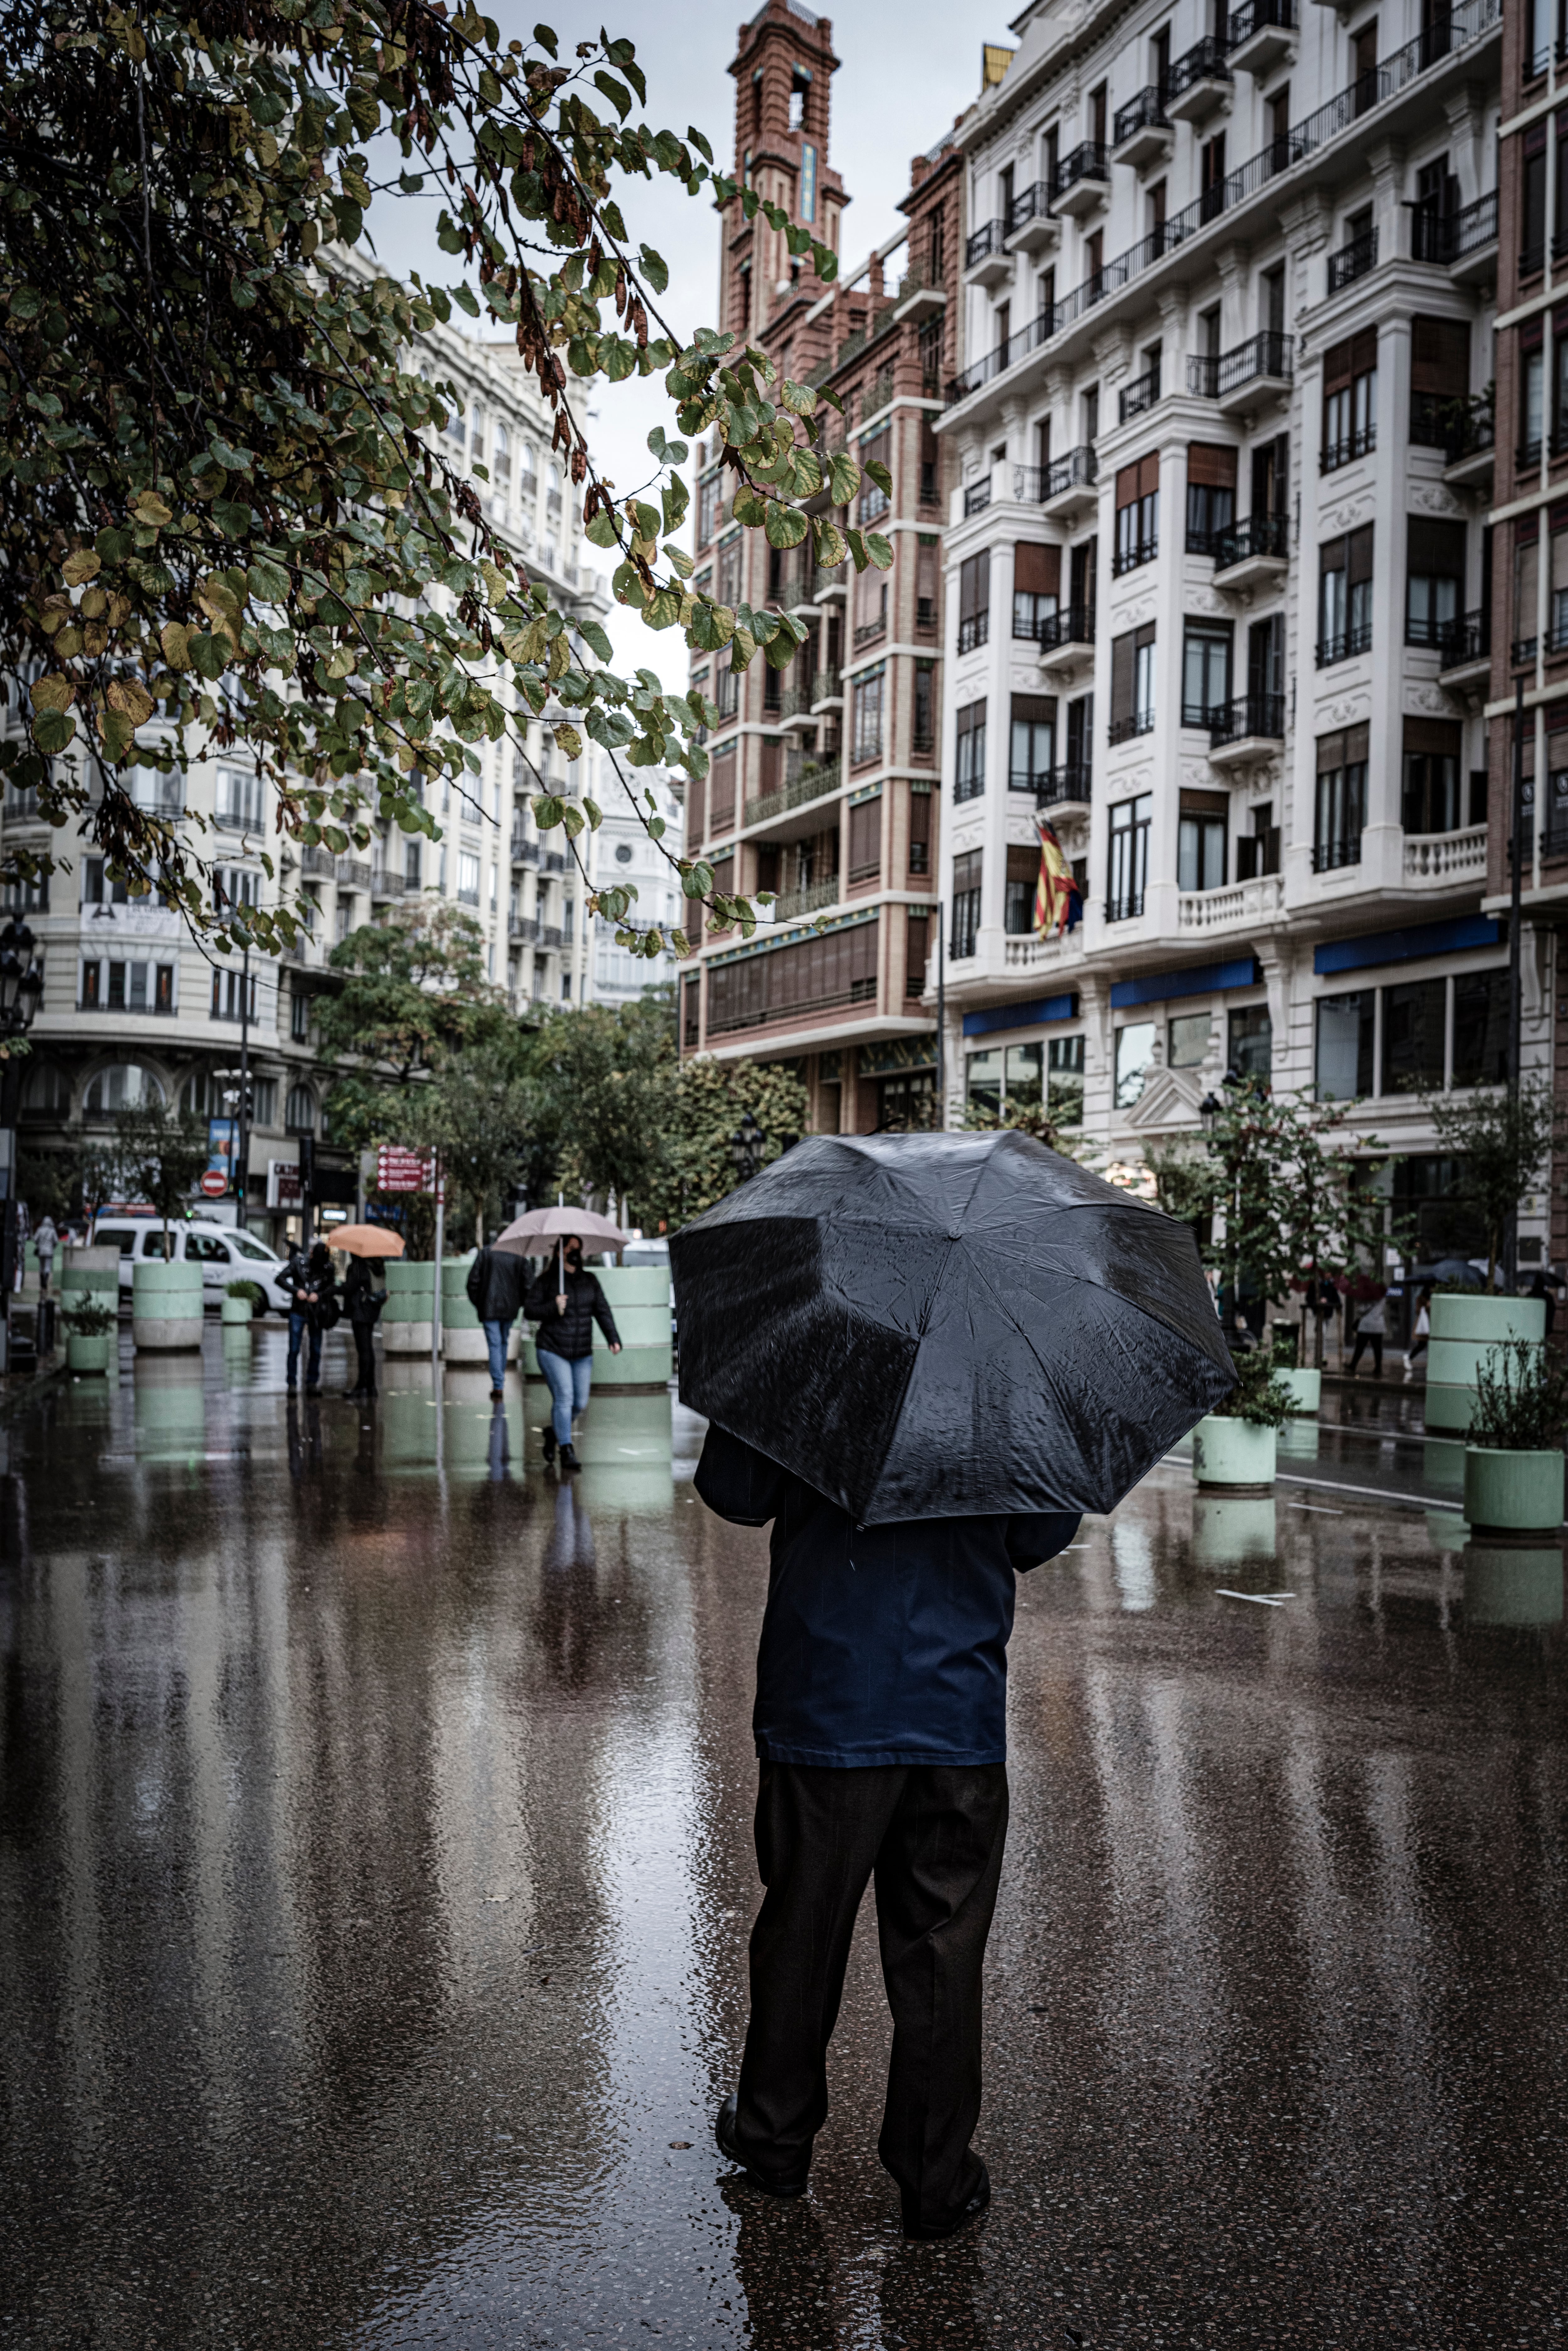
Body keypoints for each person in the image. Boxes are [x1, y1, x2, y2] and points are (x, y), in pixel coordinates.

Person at [696, 1422, 1080, 2241]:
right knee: (941, 1951)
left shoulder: (816, 1364)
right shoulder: (1006, 1377)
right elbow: (1042, 1534)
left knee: (803, 1932)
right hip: (956, 1706)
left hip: (827, 1695)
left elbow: (734, 1493)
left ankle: (773, 2140)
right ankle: (934, 2181)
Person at [523, 1236, 621, 1467]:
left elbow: (602, 1311)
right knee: (565, 1397)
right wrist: (553, 1306)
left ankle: (554, 1433)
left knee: (580, 1403)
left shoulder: (590, 1280)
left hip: (581, 1353)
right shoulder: (547, 1281)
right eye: (570, 1248)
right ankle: (566, 1450)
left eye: (579, 1248)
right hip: (553, 1349)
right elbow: (529, 1310)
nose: (576, 1252)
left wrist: (613, 1338)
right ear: (559, 1253)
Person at [466, 1240, 527, 1400]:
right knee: (503, 1342)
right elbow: (528, 1284)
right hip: (510, 1309)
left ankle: (498, 1385)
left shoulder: (486, 1253)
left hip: (489, 1308)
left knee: (495, 1344)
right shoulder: (519, 1255)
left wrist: (480, 1303)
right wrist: (518, 1303)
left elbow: (472, 1282)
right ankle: (500, 1382)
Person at [283, 1239, 334, 1394]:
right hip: (298, 1311)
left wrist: (319, 1295)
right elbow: (280, 1278)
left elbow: (331, 1288)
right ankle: (292, 1383)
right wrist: (296, 1291)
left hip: (316, 1313)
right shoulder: (298, 1263)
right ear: (311, 1255)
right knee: (294, 1349)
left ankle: (312, 1383)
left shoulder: (328, 1267)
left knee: (316, 1350)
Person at [342, 1252, 385, 1400]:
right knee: (368, 1349)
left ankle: (361, 1387)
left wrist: (334, 1289)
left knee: (364, 1350)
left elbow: (349, 1288)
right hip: (372, 1309)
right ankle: (371, 1387)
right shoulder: (376, 1264)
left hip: (360, 1310)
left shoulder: (359, 1267)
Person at [1349, 1290, 1385, 1377]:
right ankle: (1378, 1367)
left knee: (1360, 1347)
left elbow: (1362, 1310)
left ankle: (1353, 1365)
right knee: (1378, 1348)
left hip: (1366, 1325)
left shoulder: (1367, 1297)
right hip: (1378, 1326)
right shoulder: (1382, 1296)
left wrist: (1358, 1304)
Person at [1403, 1287, 1432, 1383]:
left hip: (1432, 1325)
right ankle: (1409, 1358)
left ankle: (1430, 1366)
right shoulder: (1421, 1298)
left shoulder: (1435, 1297)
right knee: (1422, 1345)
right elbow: (1418, 1311)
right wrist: (1427, 1306)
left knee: (1430, 1346)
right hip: (1424, 1325)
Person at [32, 1213, 57, 1297]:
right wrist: (52, 1247)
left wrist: (40, 1245)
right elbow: (56, 1242)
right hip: (49, 1252)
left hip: (41, 1252)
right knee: (47, 1268)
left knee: (41, 1268)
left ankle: (42, 1285)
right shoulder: (53, 1231)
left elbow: (35, 1239)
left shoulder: (40, 1230)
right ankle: (45, 1285)